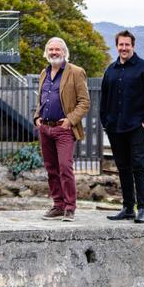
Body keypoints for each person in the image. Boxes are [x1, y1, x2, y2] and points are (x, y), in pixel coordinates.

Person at [101, 30, 144, 223]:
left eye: (127, 45)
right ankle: (128, 208)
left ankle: (142, 209)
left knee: (139, 167)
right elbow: (104, 99)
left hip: (137, 127)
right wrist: (106, 122)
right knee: (123, 168)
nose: (124, 48)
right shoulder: (110, 70)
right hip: (115, 128)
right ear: (117, 46)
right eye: (121, 45)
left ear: (133, 46)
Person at [34, 37, 90, 222]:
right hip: (45, 129)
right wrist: (37, 118)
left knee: (65, 167)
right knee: (51, 169)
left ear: (64, 52)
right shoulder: (44, 72)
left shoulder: (76, 72)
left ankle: (70, 207)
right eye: (50, 49)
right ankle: (58, 205)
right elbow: (42, 99)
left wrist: (70, 120)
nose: (54, 53)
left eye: (57, 50)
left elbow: (84, 102)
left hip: (64, 129)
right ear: (46, 52)